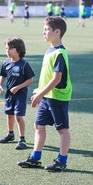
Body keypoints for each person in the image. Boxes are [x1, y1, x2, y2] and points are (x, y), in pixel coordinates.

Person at [18, 17, 72, 172]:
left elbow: (57, 79)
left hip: (58, 97)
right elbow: (48, 76)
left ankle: (62, 160)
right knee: (38, 125)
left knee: (62, 129)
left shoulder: (60, 53)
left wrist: (41, 93)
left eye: (47, 29)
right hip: (47, 95)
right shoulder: (50, 50)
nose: (44, 32)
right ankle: (35, 158)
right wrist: (39, 90)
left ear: (57, 32)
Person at [0, 37, 35, 150]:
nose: (7, 51)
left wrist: (18, 87)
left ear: (18, 49)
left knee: (18, 116)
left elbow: (31, 79)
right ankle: (10, 134)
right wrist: (0, 85)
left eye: (10, 48)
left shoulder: (24, 64)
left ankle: (22, 139)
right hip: (9, 94)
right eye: (6, 48)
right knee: (9, 114)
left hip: (20, 95)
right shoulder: (6, 62)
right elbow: (3, 75)